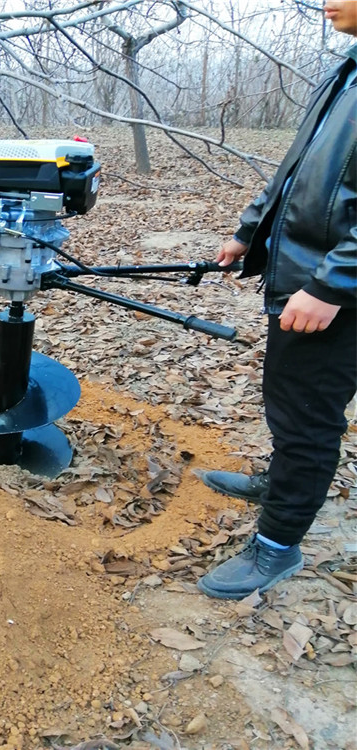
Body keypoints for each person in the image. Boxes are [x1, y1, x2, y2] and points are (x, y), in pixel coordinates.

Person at [196, 0, 357, 600]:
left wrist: (333, 284)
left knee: (308, 415)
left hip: (335, 289)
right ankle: (281, 483)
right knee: (289, 399)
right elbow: (298, 165)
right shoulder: (348, 69)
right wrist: (250, 231)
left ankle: (278, 544)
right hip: (309, 272)